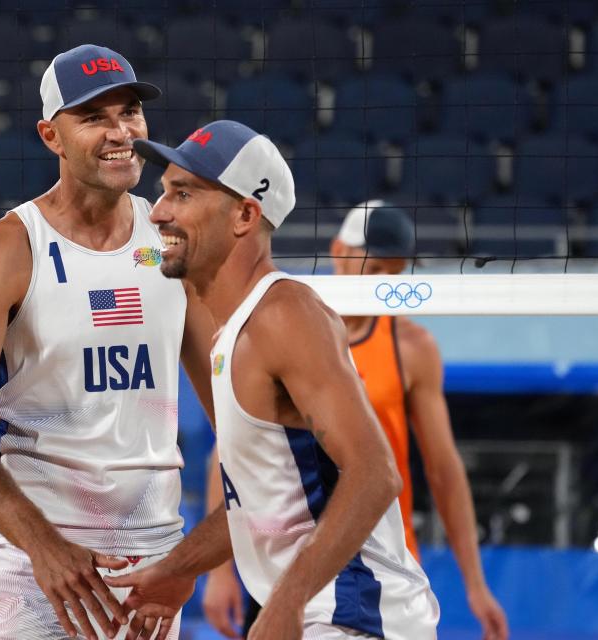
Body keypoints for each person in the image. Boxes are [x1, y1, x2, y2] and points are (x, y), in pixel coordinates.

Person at [104, 121, 440, 640]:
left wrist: (286, 602)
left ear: (245, 215)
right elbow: (256, 505)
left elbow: (376, 474)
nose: (159, 210)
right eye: (164, 191)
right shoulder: (231, 332)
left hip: (356, 618)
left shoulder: (285, 314)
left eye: (183, 193)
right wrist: (177, 569)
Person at [0, 44, 215, 640]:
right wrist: (45, 548)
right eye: (94, 118)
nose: (120, 132)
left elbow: (237, 413)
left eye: (130, 112)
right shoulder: (4, 248)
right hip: (39, 556)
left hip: (154, 554)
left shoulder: (171, 240)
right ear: (51, 136)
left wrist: (199, 559)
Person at [202, 200, 509, 640]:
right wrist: (219, 572)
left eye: (396, 270)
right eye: (378, 266)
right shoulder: (282, 328)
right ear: (338, 251)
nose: (386, 280)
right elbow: (231, 453)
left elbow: (444, 471)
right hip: (282, 562)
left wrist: (476, 586)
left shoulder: (412, 347)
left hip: (379, 569)